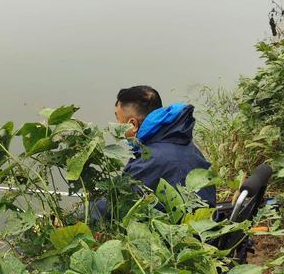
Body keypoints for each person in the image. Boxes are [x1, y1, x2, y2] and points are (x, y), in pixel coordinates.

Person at [91, 86, 215, 222]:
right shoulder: (184, 144)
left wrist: (85, 211)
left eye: (118, 121)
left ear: (132, 124)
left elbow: (116, 207)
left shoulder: (149, 160)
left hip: (181, 237)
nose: (115, 126)